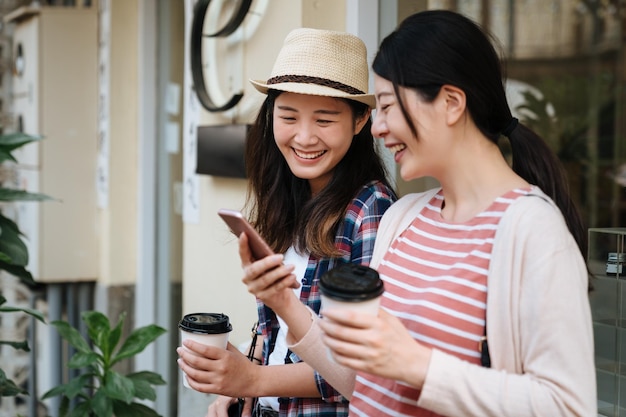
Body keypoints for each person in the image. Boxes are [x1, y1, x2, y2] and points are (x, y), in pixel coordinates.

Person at [238, 9, 596, 417]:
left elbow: (567, 407)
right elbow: (361, 384)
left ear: (450, 103)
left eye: (388, 107)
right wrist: (284, 302)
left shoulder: (532, 230)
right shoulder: (403, 218)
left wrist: (417, 365)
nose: (377, 127)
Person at [177, 27, 397, 417]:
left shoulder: (370, 210)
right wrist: (238, 385)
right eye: (289, 116)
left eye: (325, 120)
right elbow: (274, 329)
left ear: (361, 119)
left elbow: (359, 371)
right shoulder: (291, 196)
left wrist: (252, 380)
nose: (305, 137)